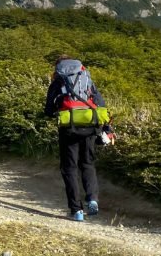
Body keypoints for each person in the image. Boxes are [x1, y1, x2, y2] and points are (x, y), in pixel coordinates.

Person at [44, 55, 111, 222]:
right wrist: (107, 128)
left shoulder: (58, 79)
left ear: (58, 66)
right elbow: (100, 103)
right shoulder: (85, 77)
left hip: (69, 128)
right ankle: (92, 199)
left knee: (70, 168)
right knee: (87, 164)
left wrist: (56, 110)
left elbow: (48, 109)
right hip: (90, 126)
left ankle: (77, 210)